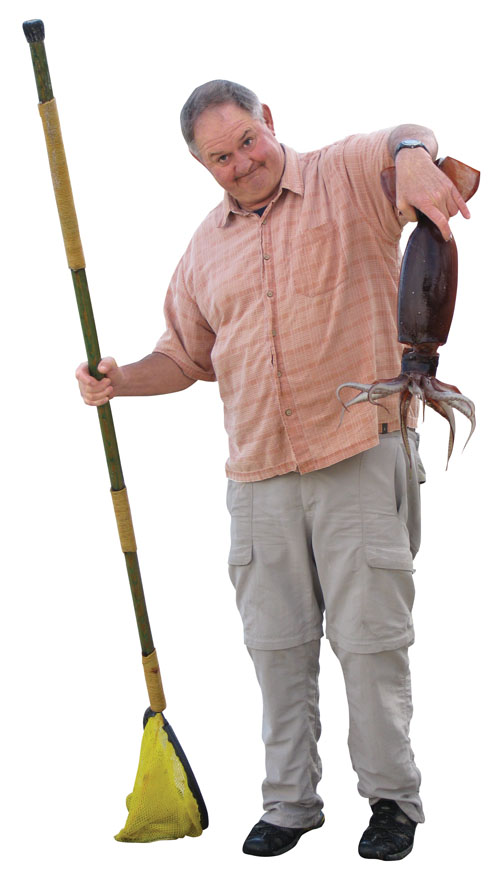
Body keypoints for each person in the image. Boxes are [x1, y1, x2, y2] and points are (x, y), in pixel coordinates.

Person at [76, 81, 471, 861]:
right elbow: (183, 358)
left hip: (358, 448)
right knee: (276, 646)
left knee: (370, 642)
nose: (241, 162)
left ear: (269, 123)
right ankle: (290, 802)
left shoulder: (344, 178)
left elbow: (405, 133)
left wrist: (419, 160)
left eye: (248, 140)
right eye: (220, 157)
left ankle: (392, 799)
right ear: (202, 164)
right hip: (257, 476)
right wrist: (120, 379)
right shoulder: (203, 250)